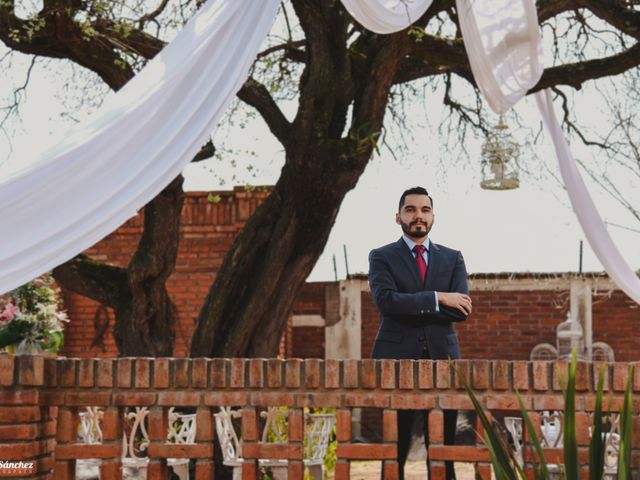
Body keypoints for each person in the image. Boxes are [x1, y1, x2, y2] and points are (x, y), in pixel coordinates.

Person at [368, 186, 472, 480]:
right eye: (410, 210)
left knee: (443, 447)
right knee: (395, 448)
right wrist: (438, 298)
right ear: (398, 216)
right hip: (396, 360)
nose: (418, 216)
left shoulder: (453, 258)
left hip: (443, 358)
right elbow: (386, 302)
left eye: (425, 210)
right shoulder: (381, 256)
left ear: (433, 217)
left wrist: (411, 303)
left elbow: (460, 309)